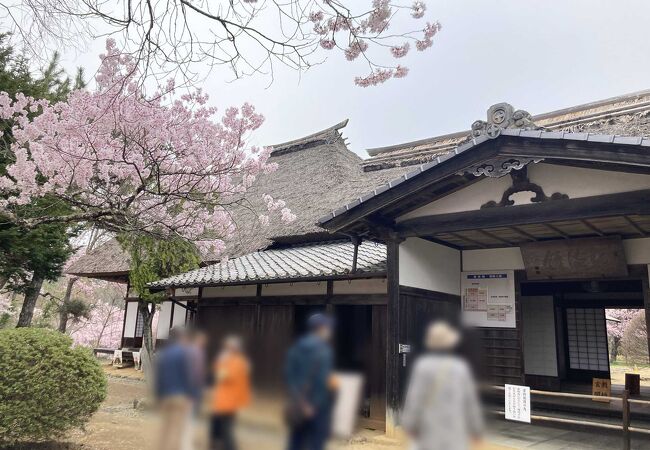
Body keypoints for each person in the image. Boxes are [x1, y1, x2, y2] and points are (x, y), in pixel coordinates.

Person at [401, 321, 484, 450]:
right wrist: (476, 429)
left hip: (429, 428)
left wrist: (410, 424)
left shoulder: (423, 366)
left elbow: (415, 399)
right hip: (455, 429)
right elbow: (470, 401)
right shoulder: (461, 367)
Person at [285, 313, 336, 450]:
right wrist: (312, 407)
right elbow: (322, 382)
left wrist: (301, 403)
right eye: (328, 328)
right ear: (320, 329)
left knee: (296, 441)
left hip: (298, 405)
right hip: (317, 409)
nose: (329, 331)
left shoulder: (295, 348)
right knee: (316, 444)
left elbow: (290, 377)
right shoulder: (324, 351)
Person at [155, 326, 195, 450]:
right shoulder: (185, 353)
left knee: (166, 427)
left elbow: (159, 377)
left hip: (165, 396)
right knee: (182, 428)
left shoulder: (163, 353)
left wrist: (159, 396)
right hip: (180, 395)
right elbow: (188, 376)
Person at [210, 335, 251, 450]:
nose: (226, 349)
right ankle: (218, 445)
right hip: (224, 399)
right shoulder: (234, 360)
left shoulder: (237, 361)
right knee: (218, 427)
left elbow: (224, 376)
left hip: (229, 401)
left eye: (228, 347)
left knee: (226, 429)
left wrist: (221, 364)